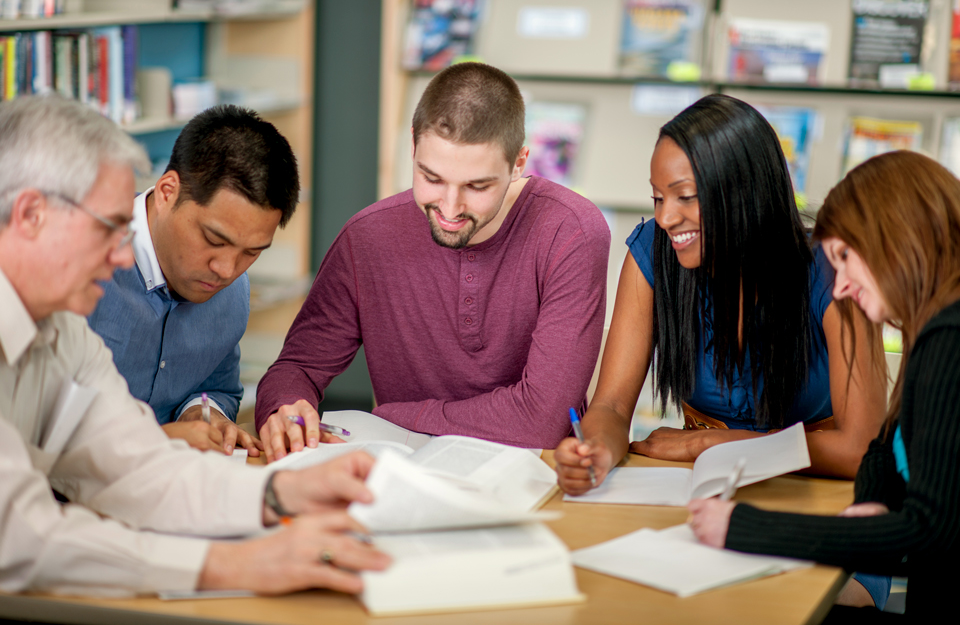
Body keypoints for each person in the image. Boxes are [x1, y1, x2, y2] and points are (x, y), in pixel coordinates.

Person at [0, 94, 389, 596]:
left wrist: (280, 493)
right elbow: (20, 539)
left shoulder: (61, 329)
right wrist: (234, 565)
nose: (124, 258)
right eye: (110, 231)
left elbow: (135, 465)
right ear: (31, 214)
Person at [554, 94, 888, 606]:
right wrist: (595, 449)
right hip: (705, 504)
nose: (666, 217)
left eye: (684, 196)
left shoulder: (833, 270)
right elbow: (614, 406)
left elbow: (860, 450)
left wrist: (706, 445)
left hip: (828, 510)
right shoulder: (651, 255)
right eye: (657, 198)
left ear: (742, 190)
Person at [254, 62, 611, 460]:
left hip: (531, 477)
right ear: (413, 145)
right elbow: (296, 367)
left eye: (477, 186)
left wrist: (399, 416)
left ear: (519, 163)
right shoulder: (368, 237)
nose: (450, 208)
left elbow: (543, 421)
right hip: (405, 476)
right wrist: (285, 407)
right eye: (432, 177)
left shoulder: (572, 232)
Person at [688, 150, 960, 622]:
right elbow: (885, 448)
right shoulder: (932, 327)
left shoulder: (949, 341)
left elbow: (930, 530)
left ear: (896, 239)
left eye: (845, 259)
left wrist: (749, 529)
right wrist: (873, 503)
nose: (840, 287)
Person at [87, 106, 299, 457]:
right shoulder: (80, 266)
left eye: (252, 252)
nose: (227, 270)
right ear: (168, 190)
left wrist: (203, 414)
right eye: (214, 240)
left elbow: (216, 387)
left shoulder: (231, 292)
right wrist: (159, 441)